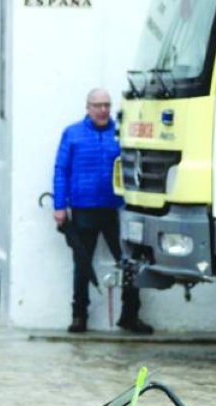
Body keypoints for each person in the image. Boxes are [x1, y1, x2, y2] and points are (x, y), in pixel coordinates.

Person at [53, 89, 152, 335]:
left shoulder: (121, 133)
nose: (103, 110)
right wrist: (59, 206)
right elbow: (61, 170)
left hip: (116, 209)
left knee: (129, 263)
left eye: (107, 105)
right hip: (83, 208)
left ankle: (130, 315)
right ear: (88, 107)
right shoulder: (72, 133)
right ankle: (79, 316)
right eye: (97, 105)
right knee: (82, 264)